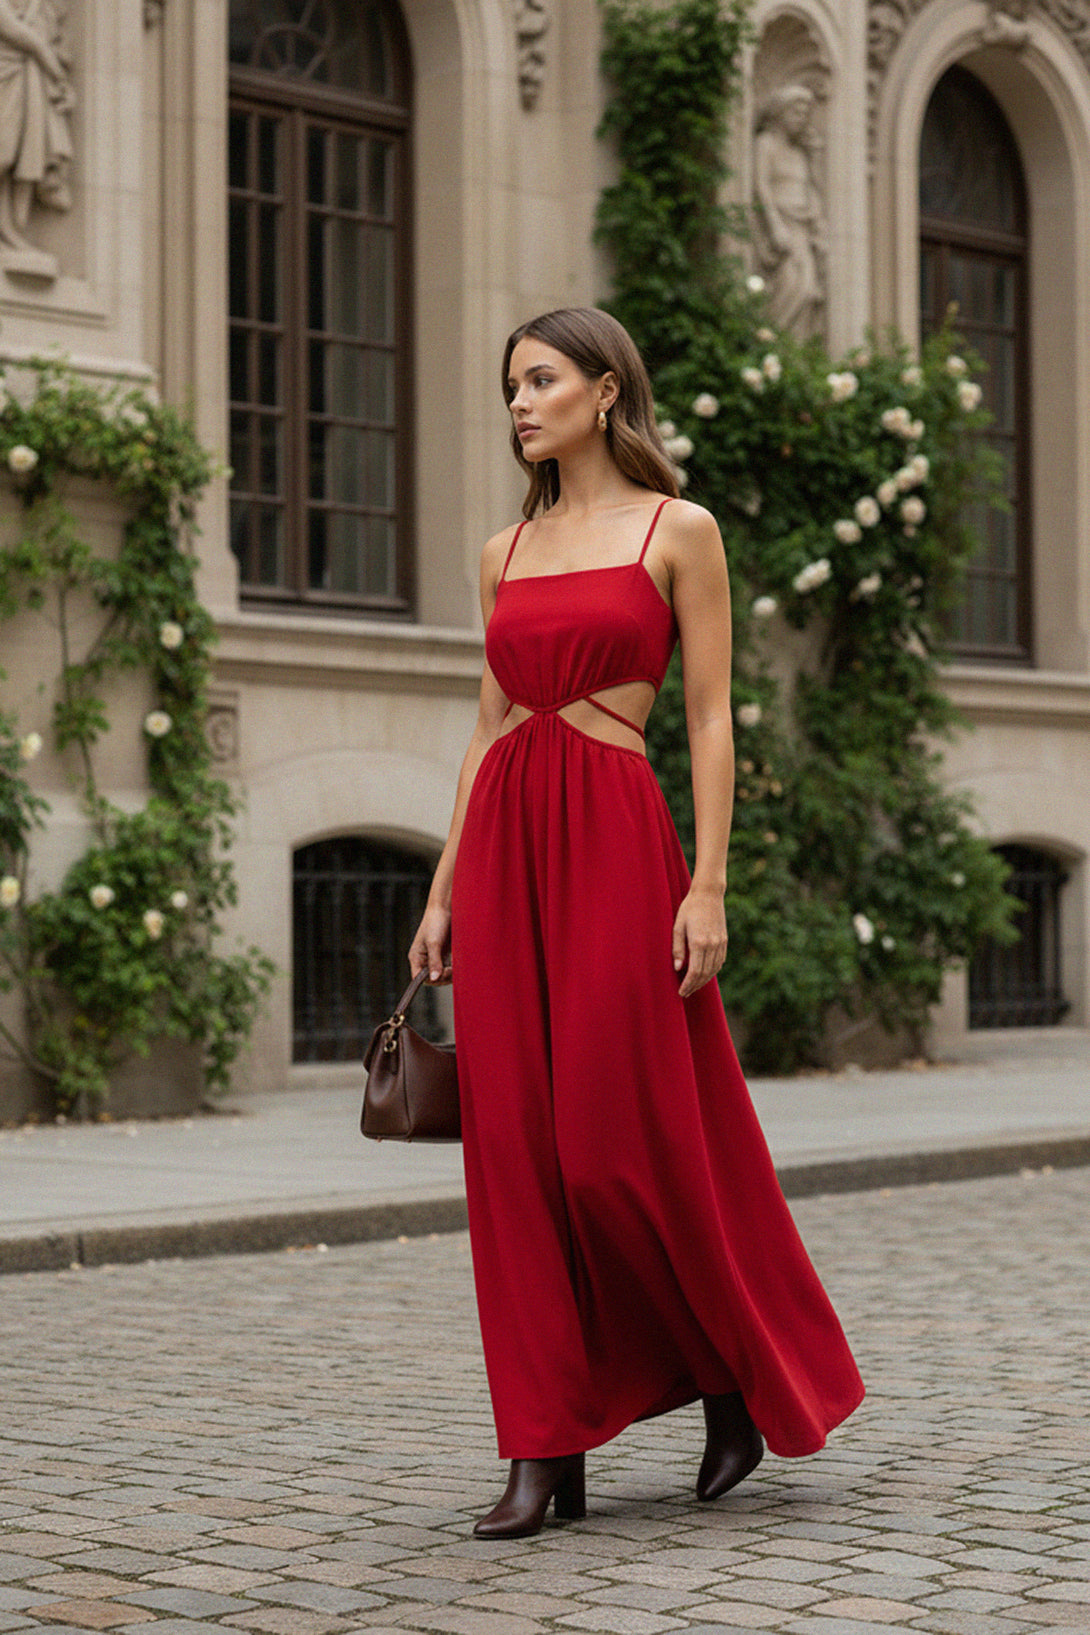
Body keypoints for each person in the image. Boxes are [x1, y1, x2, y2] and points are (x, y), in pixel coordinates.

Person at [408, 307, 863, 1539]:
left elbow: (709, 716)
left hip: (616, 840)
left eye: (540, 379)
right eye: (510, 385)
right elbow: (491, 727)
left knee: (612, 1145)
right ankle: (542, 1446)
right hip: (506, 851)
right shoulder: (503, 551)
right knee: (516, 1156)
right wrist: (443, 890)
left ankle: (727, 1377)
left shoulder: (679, 531)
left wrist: (706, 884)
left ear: (605, 391)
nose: (518, 402)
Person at [752, 84, 826, 339]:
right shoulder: (766, 144)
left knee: (809, 291)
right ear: (780, 113)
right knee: (792, 287)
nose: (801, 119)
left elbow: (815, 188)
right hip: (782, 226)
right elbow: (761, 186)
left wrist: (815, 155)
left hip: (802, 227)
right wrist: (774, 225)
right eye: (796, 113)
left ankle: (792, 349)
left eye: (805, 115)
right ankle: (775, 344)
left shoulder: (800, 153)